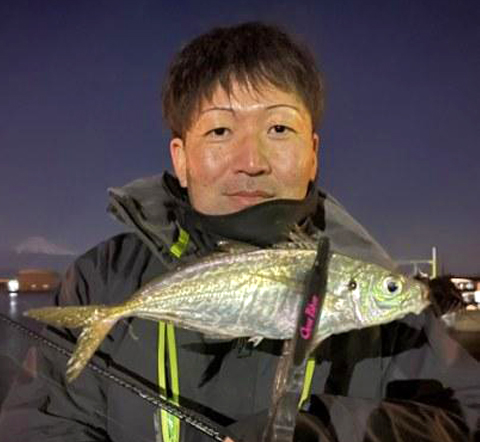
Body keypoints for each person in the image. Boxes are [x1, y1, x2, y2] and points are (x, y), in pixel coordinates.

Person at [0, 22, 478, 442]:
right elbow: (41, 426)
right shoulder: (102, 280)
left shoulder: (389, 307)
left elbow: (465, 416)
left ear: (313, 153)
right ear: (180, 159)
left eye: (278, 129)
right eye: (220, 132)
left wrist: (328, 433)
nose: (251, 162)